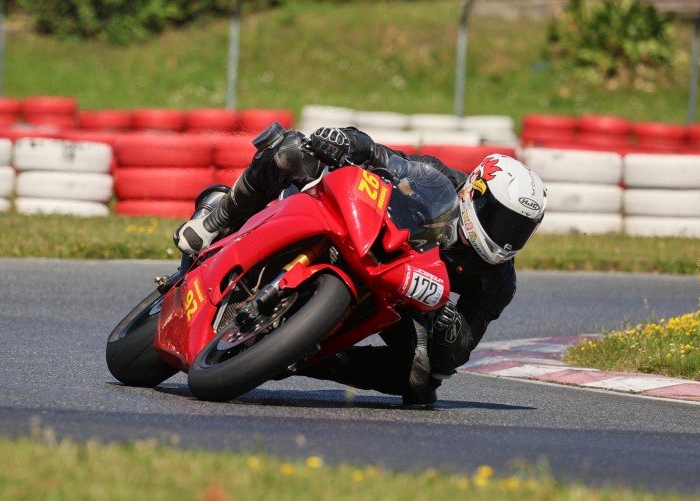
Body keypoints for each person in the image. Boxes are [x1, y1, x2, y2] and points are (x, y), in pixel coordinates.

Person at [174, 123, 547, 406]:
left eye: (520, 229)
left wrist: (448, 324)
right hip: (362, 228)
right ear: (476, 195)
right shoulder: (439, 180)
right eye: (502, 221)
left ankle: (303, 357)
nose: (508, 236)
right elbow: (384, 158)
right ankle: (218, 218)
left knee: (422, 379)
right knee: (292, 149)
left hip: (402, 290)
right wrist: (347, 141)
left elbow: (457, 353)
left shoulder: (498, 281)